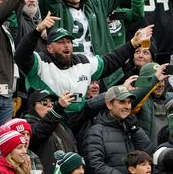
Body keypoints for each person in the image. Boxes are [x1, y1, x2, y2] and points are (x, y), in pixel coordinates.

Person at [14, 12, 150, 114]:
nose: (66, 45)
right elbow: (20, 56)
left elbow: (109, 62)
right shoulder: (40, 62)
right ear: (49, 47)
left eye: (69, 42)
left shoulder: (82, 61)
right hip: (47, 119)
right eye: (61, 42)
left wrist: (132, 44)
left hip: (78, 118)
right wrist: (37, 31)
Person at [83, 85, 153, 174]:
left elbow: (149, 154)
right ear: (109, 105)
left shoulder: (131, 127)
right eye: (122, 102)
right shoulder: (96, 131)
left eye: (129, 102)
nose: (127, 106)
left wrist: (135, 130)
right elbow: (95, 165)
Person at [0, 0, 37, 125]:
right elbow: (2, 12)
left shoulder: (4, 26)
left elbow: (13, 8)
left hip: (6, 95)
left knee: (4, 144)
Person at [132, 62, 173, 147]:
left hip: (171, 151)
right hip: (147, 153)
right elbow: (132, 104)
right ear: (144, 81)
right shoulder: (139, 100)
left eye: (163, 79)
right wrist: (153, 80)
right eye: (157, 80)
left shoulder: (171, 97)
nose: (161, 84)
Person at [25, 89, 77, 174]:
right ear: (33, 106)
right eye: (44, 102)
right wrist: (58, 108)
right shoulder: (27, 125)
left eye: (53, 103)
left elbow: (75, 150)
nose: (50, 105)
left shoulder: (63, 126)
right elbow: (40, 132)